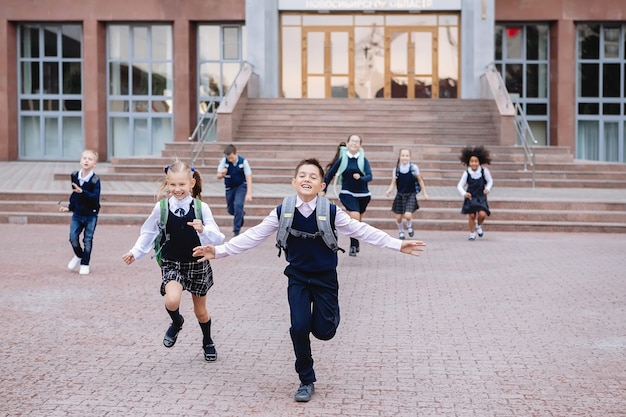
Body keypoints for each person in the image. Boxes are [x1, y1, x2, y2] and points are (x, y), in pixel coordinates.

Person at [192, 158, 426, 402]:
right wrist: (220, 251)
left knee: (325, 332)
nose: (307, 179)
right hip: (298, 278)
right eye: (302, 175)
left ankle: (328, 319)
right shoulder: (283, 211)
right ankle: (306, 379)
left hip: (326, 279)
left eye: (313, 177)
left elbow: (362, 230)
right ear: (294, 182)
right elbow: (254, 235)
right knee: (299, 327)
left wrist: (398, 244)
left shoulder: (332, 212)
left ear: (322, 186)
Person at [122, 160, 225, 361]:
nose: (177, 189)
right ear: (167, 184)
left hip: (197, 263)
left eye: (182, 185)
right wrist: (135, 251)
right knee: (171, 300)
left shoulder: (201, 208)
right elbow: (148, 232)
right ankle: (177, 322)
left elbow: (218, 238)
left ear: (192, 183)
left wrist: (203, 229)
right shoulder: (161, 208)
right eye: (173, 185)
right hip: (172, 262)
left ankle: (207, 341)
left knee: (201, 312)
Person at [321, 134, 372, 256]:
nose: (354, 143)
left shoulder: (363, 160)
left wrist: (361, 178)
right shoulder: (343, 159)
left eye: (357, 142)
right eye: (352, 141)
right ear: (348, 144)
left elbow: (370, 176)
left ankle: (356, 240)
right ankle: (354, 243)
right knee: (354, 216)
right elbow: (330, 174)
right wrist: (324, 189)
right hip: (347, 192)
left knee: (358, 220)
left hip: (363, 195)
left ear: (360, 145)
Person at [59, 149, 101, 276]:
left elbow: (95, 197)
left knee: (88, 240)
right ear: (80, 161)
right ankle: (78, 255)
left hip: (91, 214)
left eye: (90, 159)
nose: (86, 160)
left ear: (94, 164)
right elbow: (74, 194)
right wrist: (70, 207)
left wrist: (82, 191)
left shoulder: (95, 180)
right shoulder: (74, 175)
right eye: (84, 158)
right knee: (72, 238)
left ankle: (85, 263)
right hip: (77, 213)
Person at [385, 148, 429, 239]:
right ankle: (401, 231)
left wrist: (425, 193)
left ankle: (409, 226)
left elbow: (420, 180)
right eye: (403, 155)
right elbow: (393, 182)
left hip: (411, 194)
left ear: (410, 157)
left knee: (408, 215)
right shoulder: (396, 169)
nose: (405, 157)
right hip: (400, 195)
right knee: (398, 217)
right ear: (399, 157)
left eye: (407, 155)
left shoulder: (413, 168)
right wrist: (389, 190)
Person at [456, 146, 493, 240]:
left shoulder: (484, 171)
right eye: (472, 161)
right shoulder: (466, 173)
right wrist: (464, 193)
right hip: (471, 196)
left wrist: (488, 189)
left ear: (479, 162)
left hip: (481, 196)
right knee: (472, 215)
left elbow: (490, 181)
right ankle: (472, 233)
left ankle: (478, 225)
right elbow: (460, 185)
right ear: (468, 162)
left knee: (482, 214)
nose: (474, 163)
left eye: (475, 161)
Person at [216, 144, 252, 236]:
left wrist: (249, 193)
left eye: (232, 158)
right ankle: (241, 214)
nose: (230, 160)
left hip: (241, 186)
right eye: (229, 158)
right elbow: (218, 176)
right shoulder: (224, 161)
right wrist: (222, 174)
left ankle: (236, 230)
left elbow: (248, 178)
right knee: (231, 209)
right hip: (229, 187)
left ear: (236, 153)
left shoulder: (243, 162)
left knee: (238, 204)